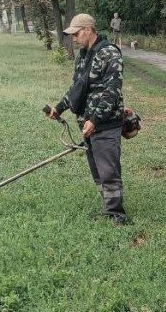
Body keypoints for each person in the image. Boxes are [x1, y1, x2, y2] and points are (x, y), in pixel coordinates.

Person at [46, 13, 127, 225]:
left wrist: (95, 120)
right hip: (86, 124)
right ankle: (108, 206)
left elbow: (113, 91)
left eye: (76, 33)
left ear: (88, 29)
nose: (73, 38)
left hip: (104, 124)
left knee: (108, 170)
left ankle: (117, 215)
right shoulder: (83, 55)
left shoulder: (110, 53)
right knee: (97, 170)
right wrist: (59, 108)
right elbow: (77, 88)